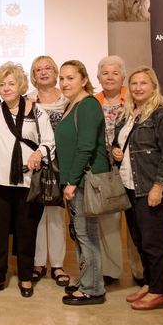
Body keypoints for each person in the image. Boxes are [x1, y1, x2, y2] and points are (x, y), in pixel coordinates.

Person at [0, 62, 54, 298]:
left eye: (11, 83)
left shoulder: (36, 111)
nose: (7, 88)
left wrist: (39, 153)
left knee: (26, 232)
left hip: (28, 184)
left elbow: (49, 141)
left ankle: (26, 277)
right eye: (2, 84)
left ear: (20, 85)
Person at [111, 66, 163, 310]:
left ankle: (160, 291)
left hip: (151, 187)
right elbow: (119, 145)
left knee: (154, 242)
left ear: (153, 86)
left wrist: (158, 187)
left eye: (143, 83)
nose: (138, 88)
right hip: (130, 186)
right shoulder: (128, 114)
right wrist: (115, 152)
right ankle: (150, 284)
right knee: (140, 241)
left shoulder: (162, 115)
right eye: (134, 84)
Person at [55, 59, 108, 306]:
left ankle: (93, 289)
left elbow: (86, 147)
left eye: (70, 78)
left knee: (87, 236)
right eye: (62, 79)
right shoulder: (71, 105)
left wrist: (72, 181)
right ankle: (87, 280)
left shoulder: (87, 106)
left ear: (84, 80)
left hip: (84, 181)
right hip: (75, 181)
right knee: (81, 235)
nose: (64, 83)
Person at [95, 55, 144, 286]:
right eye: (105, 73)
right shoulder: (93, 101)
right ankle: (111, 271)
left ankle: (141, 270)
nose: (110, 77)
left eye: (115, 73)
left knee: (137, 222)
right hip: (105, 169)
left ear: (123, 76)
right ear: (98, 77)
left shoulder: (135, 98)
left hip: (133, 168)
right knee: (109, 222)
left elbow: (157, 107)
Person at [26, 55, 70, 287]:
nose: (43, 73)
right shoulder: (27, 101)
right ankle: (38, 262)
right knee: (36, 215)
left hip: (63, 163)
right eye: (38, 70)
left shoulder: (68, 99)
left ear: (55, 73)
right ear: (33, 75)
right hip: (36, 163)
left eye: (48, 69)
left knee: (56, 214)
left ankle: (58, 265)